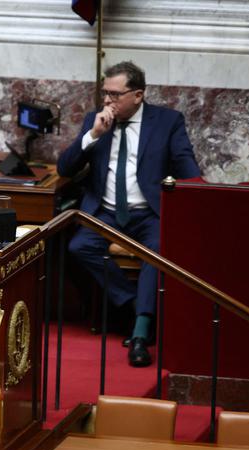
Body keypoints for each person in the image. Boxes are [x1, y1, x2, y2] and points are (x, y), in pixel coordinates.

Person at [58, 61, 201, 367]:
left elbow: (188, 170)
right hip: (106, 213)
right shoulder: (94, 121)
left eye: (115, 95)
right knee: (78, 247)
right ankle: (138, 307)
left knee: (158, 251)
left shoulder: (167, 122)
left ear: (137, 95)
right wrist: (93, 135)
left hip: (148, 213)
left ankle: (139, 335)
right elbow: (64, 168)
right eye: (105, 93)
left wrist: (199, 199)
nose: (107, 101)